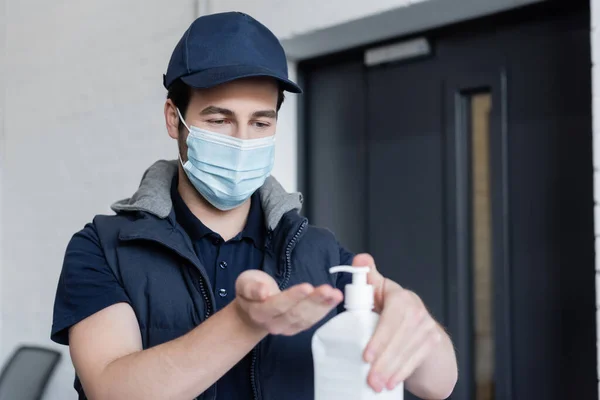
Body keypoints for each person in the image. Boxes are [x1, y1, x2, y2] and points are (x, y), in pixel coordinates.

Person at [51, 11, 458, 400]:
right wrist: (244, 322)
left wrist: (418, 326)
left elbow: (439, 383)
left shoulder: (316, 251)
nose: (243, 140)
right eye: (219, 120)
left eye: (260, 122)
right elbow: (111, 388)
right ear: (175, 119)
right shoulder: (104, 248)